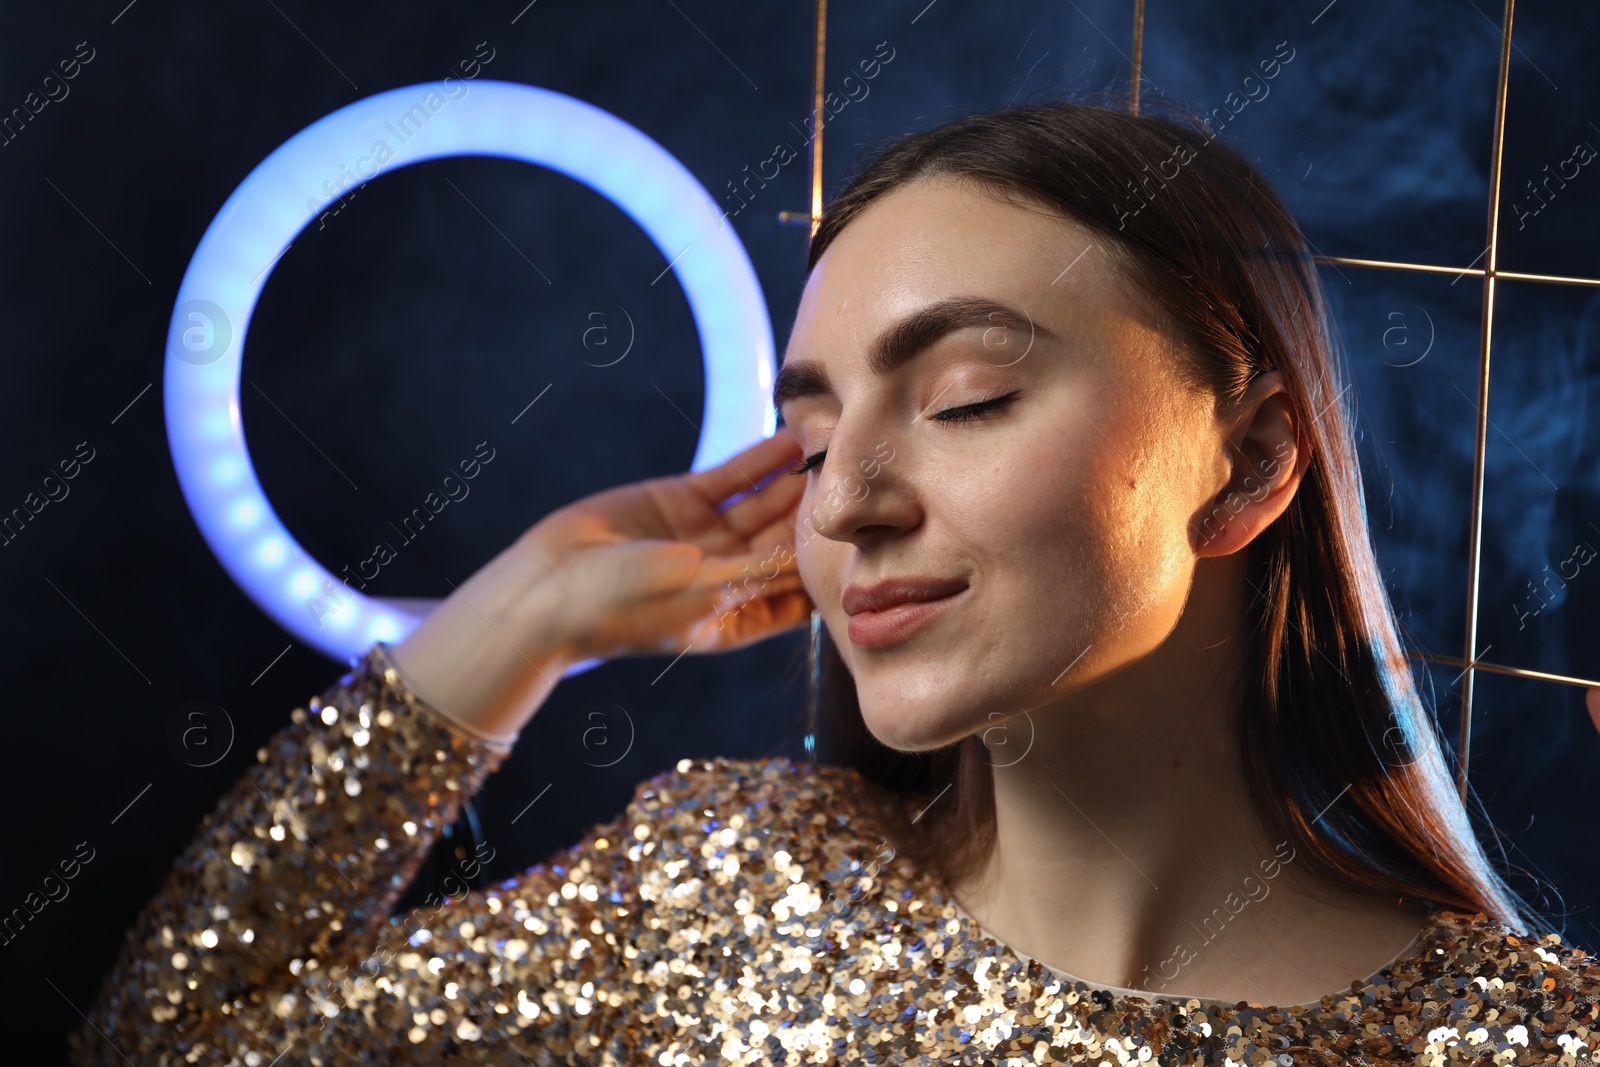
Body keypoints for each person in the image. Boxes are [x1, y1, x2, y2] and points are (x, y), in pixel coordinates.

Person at [70, 97, 1600, 1066]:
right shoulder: (737, 882)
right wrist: (532, 602)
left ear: (1254, 462)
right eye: (806, 442)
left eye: (966, 399)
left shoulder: (1523, 1040)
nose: (848, 504)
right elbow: (162, 1043)